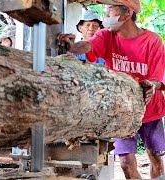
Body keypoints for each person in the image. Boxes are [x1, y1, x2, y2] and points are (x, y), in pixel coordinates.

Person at [59, 2, 165, 179]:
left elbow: (158, 77)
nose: (107, 15)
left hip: (151, 109)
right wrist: (72, 46)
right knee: (125, 163)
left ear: (128, 12)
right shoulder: (106, 36)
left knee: (155, 156)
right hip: (120, 111)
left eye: (111, 9)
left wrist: (152, 85)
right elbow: (88, 46)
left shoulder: (152, 41)